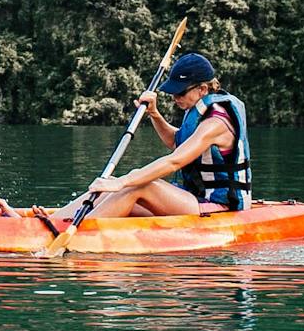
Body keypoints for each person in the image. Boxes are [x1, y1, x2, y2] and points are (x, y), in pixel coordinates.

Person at [56, 52, 251, 219]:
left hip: (221, 207)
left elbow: (174, 162)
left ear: (203, 89)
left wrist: (121, 182)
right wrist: (154, 114)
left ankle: (79, 231)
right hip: (195, 198)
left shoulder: (216, 123)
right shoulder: (198, 111)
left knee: (138, 184)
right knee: (120, 185)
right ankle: (53, 219)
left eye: (180, 93)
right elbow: (176, 142)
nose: (175, 98)